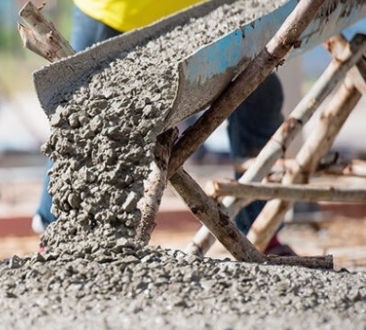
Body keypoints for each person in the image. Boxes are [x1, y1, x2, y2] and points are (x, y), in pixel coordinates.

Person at [32, 0, 296, 256]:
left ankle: (263, 230)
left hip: (209, 15)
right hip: (115, 13)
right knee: (81, 121)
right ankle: (58, 232)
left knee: (260, 99)